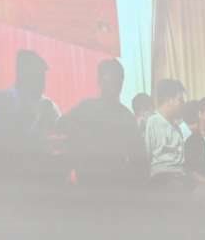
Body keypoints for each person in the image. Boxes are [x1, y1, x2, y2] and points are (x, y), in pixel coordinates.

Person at [0, 49, 61, 190]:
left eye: (43, 78)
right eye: (38, 77)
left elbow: (60, 137)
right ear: (22, 75)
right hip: (3, 178)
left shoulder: (48, 106)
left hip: (37, 181)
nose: (42, 83)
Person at [60, 57, 146, 187]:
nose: (113, 86)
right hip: (89, 180)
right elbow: (62, 128)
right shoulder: (85, 107)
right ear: (99, 81)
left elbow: (139, 158)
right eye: (109, 81)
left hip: (114, 182)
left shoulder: (126, 116)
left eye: (117, 81)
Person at [143, 78, 190, 189]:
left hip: (180, 176)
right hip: (162, 178)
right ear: (169, 100)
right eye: (180, 100)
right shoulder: (153, 122)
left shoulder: (177, 128)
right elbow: (147, 155)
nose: (183, 104)